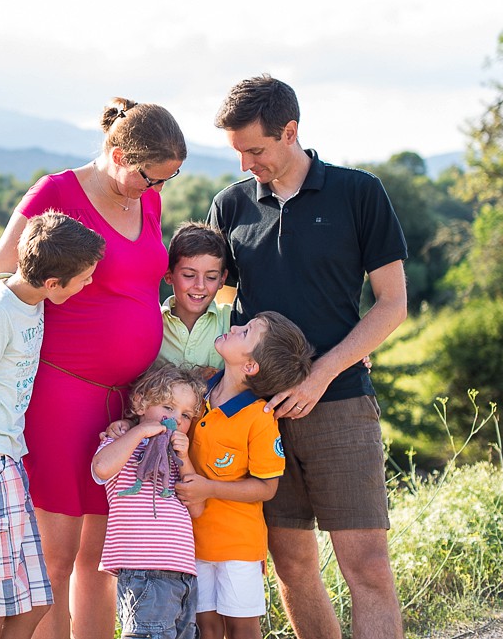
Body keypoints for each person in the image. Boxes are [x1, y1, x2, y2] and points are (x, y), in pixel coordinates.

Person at [0, 97, 188, 639]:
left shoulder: (148, 202)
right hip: (62, 395)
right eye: (150, 177)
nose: (155, 192)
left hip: (122, 402)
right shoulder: (56, 193)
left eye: (166, 182)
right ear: (119, 152)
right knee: (55, 555)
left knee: (101, 560)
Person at [206, 74, 408, 639]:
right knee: (292, 567)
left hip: (339, 403)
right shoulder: (230, 205)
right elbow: (222, 314)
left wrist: (325, 371)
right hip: (255, 417)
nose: (246, 164)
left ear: (290, 132)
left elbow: (392, 306)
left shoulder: (358, 192)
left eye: (256, 149)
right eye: (237, 151)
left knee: (366, 566)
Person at [0, 211, 106, 639]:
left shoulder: (31, 298)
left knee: (36, 600)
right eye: (83, 278)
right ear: (52, 284)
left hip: (5, 457)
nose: (88, 284)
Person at [175, 311, 315, 639]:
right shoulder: (198, 393)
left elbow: (266, 488)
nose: (235, 327)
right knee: (204, 627)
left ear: (250, 366)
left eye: (246, 331)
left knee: (242, 629)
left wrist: (208, 488)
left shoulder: (260, 418)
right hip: (192, 540)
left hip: (238, 544)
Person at [91, 363, 206, 639]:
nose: (176, 419)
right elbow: (101, 468)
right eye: (167, 407)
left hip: (183, 574)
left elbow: (197, 508)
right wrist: (137, 431)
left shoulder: (178, 460)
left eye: (186, 415)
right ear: (140, 403)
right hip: (144, 573)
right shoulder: (124, 444)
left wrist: (186, 460)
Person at [158, 221, 233, 374]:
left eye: (211, 277)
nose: (200, 285)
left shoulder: (233, 322)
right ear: (168, 275)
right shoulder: (153, 323)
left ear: (222, 279)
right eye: (189, 275)